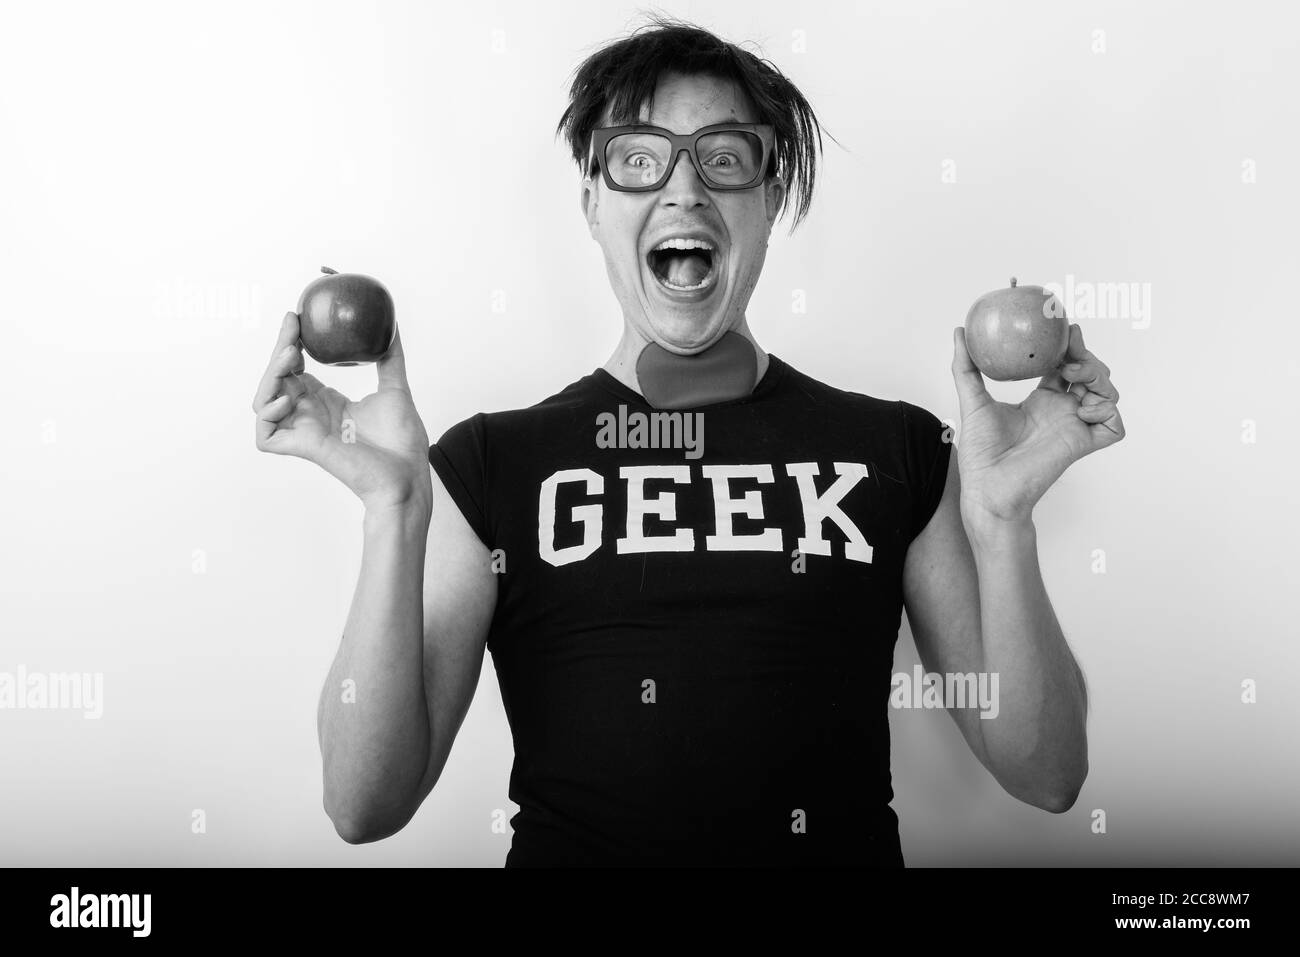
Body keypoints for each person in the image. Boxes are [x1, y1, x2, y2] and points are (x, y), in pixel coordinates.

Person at [251, 18, 1125, 867]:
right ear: (592, 202)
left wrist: (1005, 521)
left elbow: (1046, 773)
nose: (683, 189)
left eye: (724, 156)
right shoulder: (488, 467)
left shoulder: (899, 448)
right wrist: (391, 507)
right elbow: (362, 804)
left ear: (771, 197)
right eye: (638, 159)